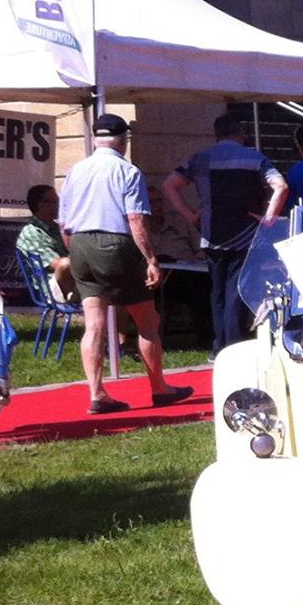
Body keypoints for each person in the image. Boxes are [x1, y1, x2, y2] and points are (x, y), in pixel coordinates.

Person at [62, 113, 193, 416]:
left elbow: (64, 223)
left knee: (93, 324)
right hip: (115, 243)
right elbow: (136, 220)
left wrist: (77, 250)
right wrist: (150, 259)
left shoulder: (75, 170)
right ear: (123, 141)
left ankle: (97, 393)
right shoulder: (128, 171)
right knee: (147, 321)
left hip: (80, 243)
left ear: (95, 139)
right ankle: (159, 388)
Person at [163, 114, 287, 351]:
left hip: (211, 233)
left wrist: (190, 215)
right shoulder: (254, 157)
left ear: (216, 134)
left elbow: (170, 184)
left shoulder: (200, 158)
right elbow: (281, 185)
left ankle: (218, 344)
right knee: (236, 289)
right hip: (246, 234)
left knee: (217, 291)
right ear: (240, 134)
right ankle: (232, 344)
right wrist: (269, 219)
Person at [15, 184, 73, 298]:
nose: (59, 205)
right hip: (50, 289)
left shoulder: (57, 227)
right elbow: (60, 265)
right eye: (55, 201)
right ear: (42, 205)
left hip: (71, 280)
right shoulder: (31, 233)